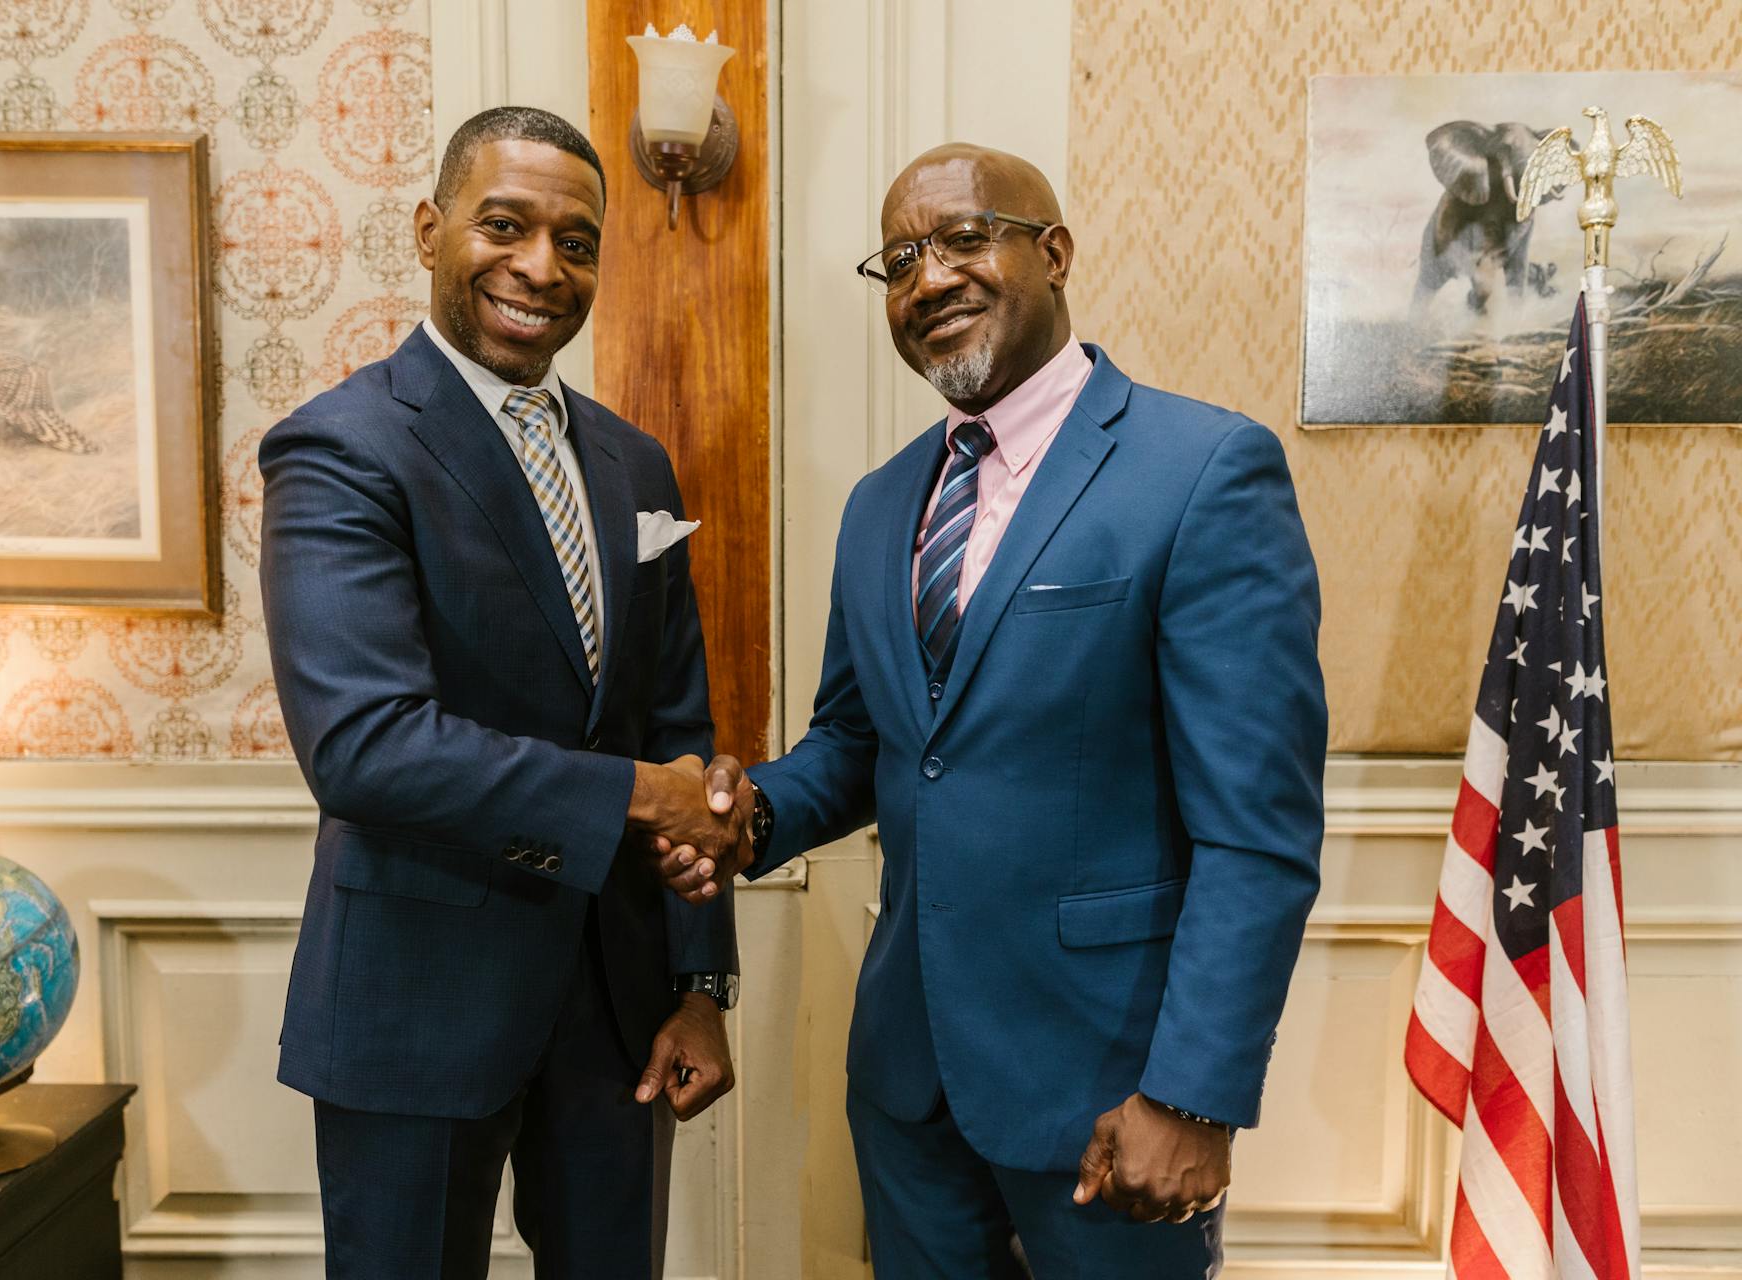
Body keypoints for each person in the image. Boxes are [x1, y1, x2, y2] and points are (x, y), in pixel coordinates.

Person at [670, 143, 1326, 1276]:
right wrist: (751, 815)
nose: (929, 278)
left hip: (1113, 1090)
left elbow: (1257, 829)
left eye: (967, 238)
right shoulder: (881, 507)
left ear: (1055, 252)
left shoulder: (1205, 468)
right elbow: (859, 744)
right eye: (902, 259)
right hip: (906, 1085)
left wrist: (1194, 1091)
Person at [259, 106, 748, 1280]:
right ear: (432, 229)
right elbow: (367, 746)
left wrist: (699, 979)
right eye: (505, 225)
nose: (541, 266)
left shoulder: (636, 462)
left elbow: (679, 732)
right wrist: (639, 795)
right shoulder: (338, 449)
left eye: (576, 241)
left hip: (620, 1010)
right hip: (416, 1003)